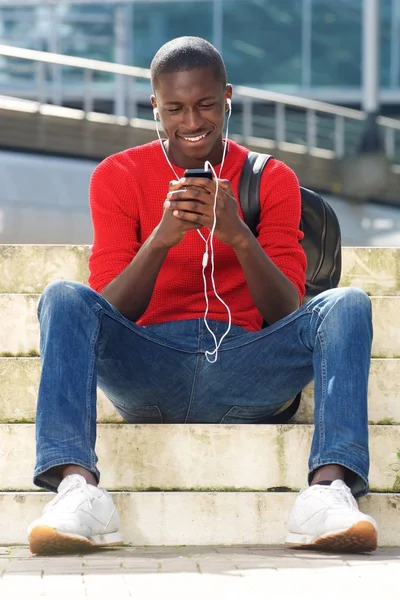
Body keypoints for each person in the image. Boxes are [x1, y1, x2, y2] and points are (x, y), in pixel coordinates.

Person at [28, 36, 377, 556]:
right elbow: (107, 312)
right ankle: (77, 490)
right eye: (175, 108)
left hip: (246, 365)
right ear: (155, 106)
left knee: (348, 303)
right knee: (63, 296)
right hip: (150, 369)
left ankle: (328, 491)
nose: (191, 121)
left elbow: (287, 311)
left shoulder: (272, 178)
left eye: (206, 104)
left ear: (228, 96)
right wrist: (162, 239)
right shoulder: (118, 176)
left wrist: (238, 233)